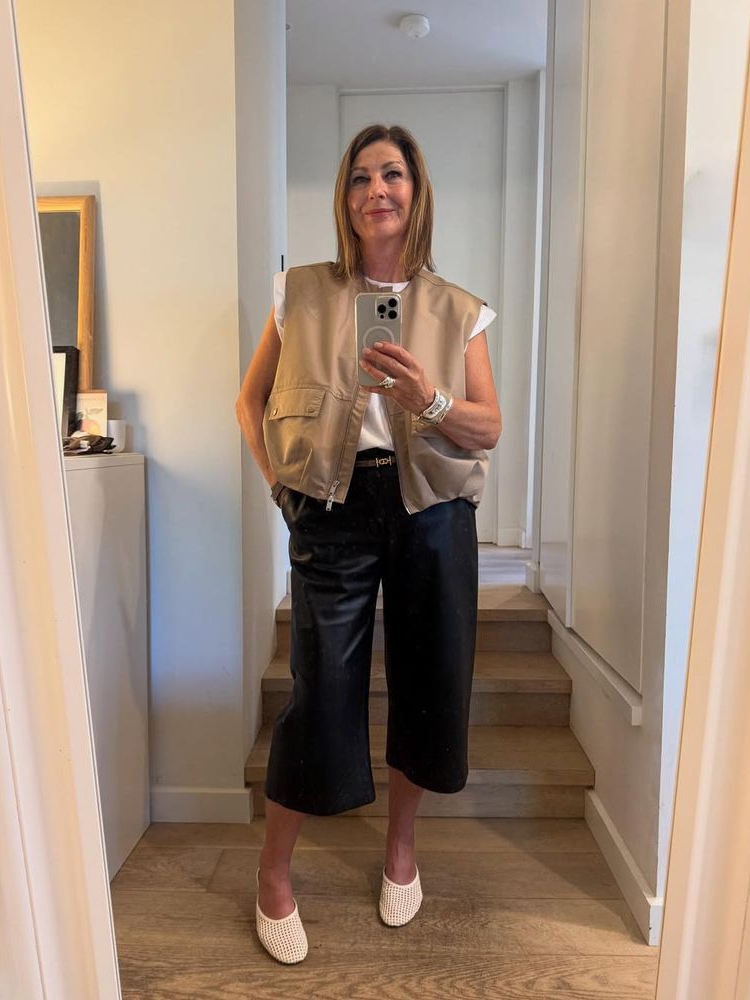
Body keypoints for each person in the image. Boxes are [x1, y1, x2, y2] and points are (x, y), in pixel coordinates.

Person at [235, 123, 501, 964]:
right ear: (344, 198)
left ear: (416, 191)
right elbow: (249, 401)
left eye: (392, 174)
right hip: (331, 506)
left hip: (432, 511)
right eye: (359, 177)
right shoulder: (301, 292)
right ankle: (273, 873)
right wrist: (281, 489)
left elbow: (488, 427)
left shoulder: (459, 308)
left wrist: (429, 401)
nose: (376, 190)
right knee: (320, 690)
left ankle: (401, 851)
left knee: (429, 682)